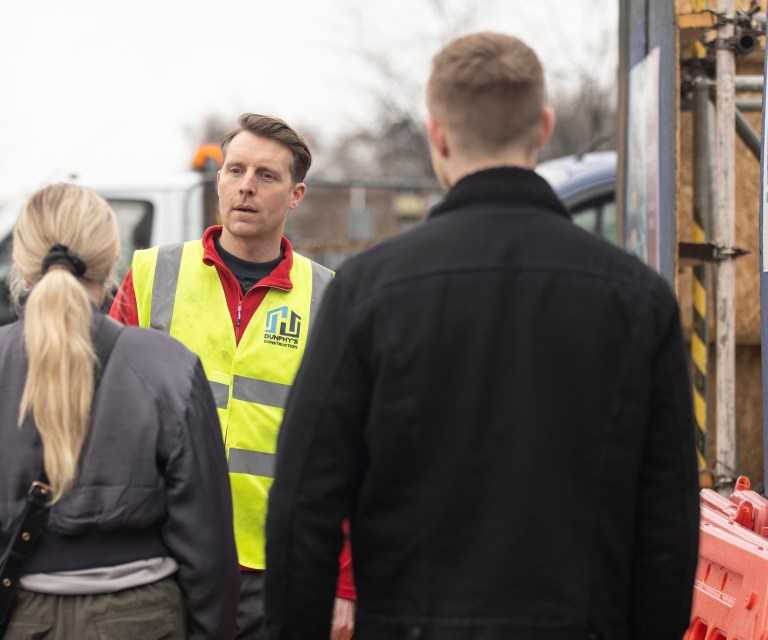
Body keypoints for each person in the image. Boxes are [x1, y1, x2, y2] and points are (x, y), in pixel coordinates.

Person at [265, 32, 700, 639]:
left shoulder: (368, 291)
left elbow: (303, 506)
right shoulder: (639, 300)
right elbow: (668, 530)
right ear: (544, 126)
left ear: (437, 134)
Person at [0, 183, 239, 639]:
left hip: (12, 617)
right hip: (141, 620)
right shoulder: (171, 370)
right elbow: (209, 551)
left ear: (19, 261)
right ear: (112, 258)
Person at [109, 113, 356, 639]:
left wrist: (345, 584)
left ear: (296, 195)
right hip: (160, 555)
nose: (246, 185)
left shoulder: (330, 297)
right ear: (218, 180)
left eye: (267, 175)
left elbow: (352, 449)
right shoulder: (151, 274)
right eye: (235, 169)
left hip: (274, 566)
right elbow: (100, 415)